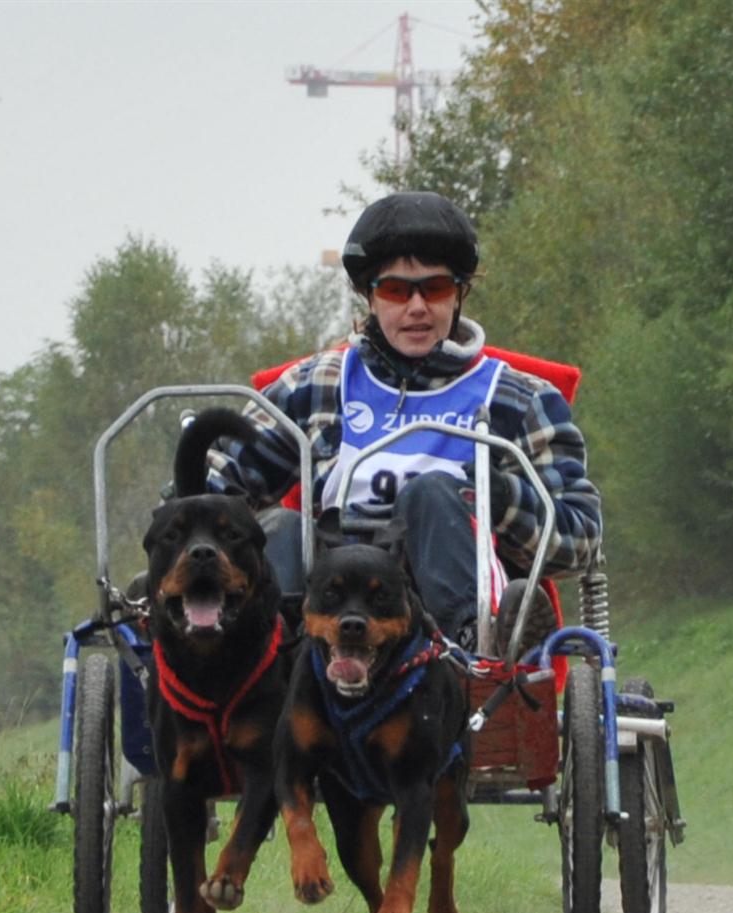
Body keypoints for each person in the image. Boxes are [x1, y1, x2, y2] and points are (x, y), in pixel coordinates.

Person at [207, 191, 602, 655]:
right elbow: (219, 484)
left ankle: (472, 647)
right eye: (396, 290)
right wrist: (185, 527)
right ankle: (275, 658)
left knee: (431, 493)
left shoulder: (519, 399)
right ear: (370, 296)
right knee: (280, 526)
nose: (416, 307)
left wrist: (502, 498)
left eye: (434, 289)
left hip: (450, 625)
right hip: (328, 613)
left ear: (460, 294)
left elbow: (581, 541)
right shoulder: (315, 385)